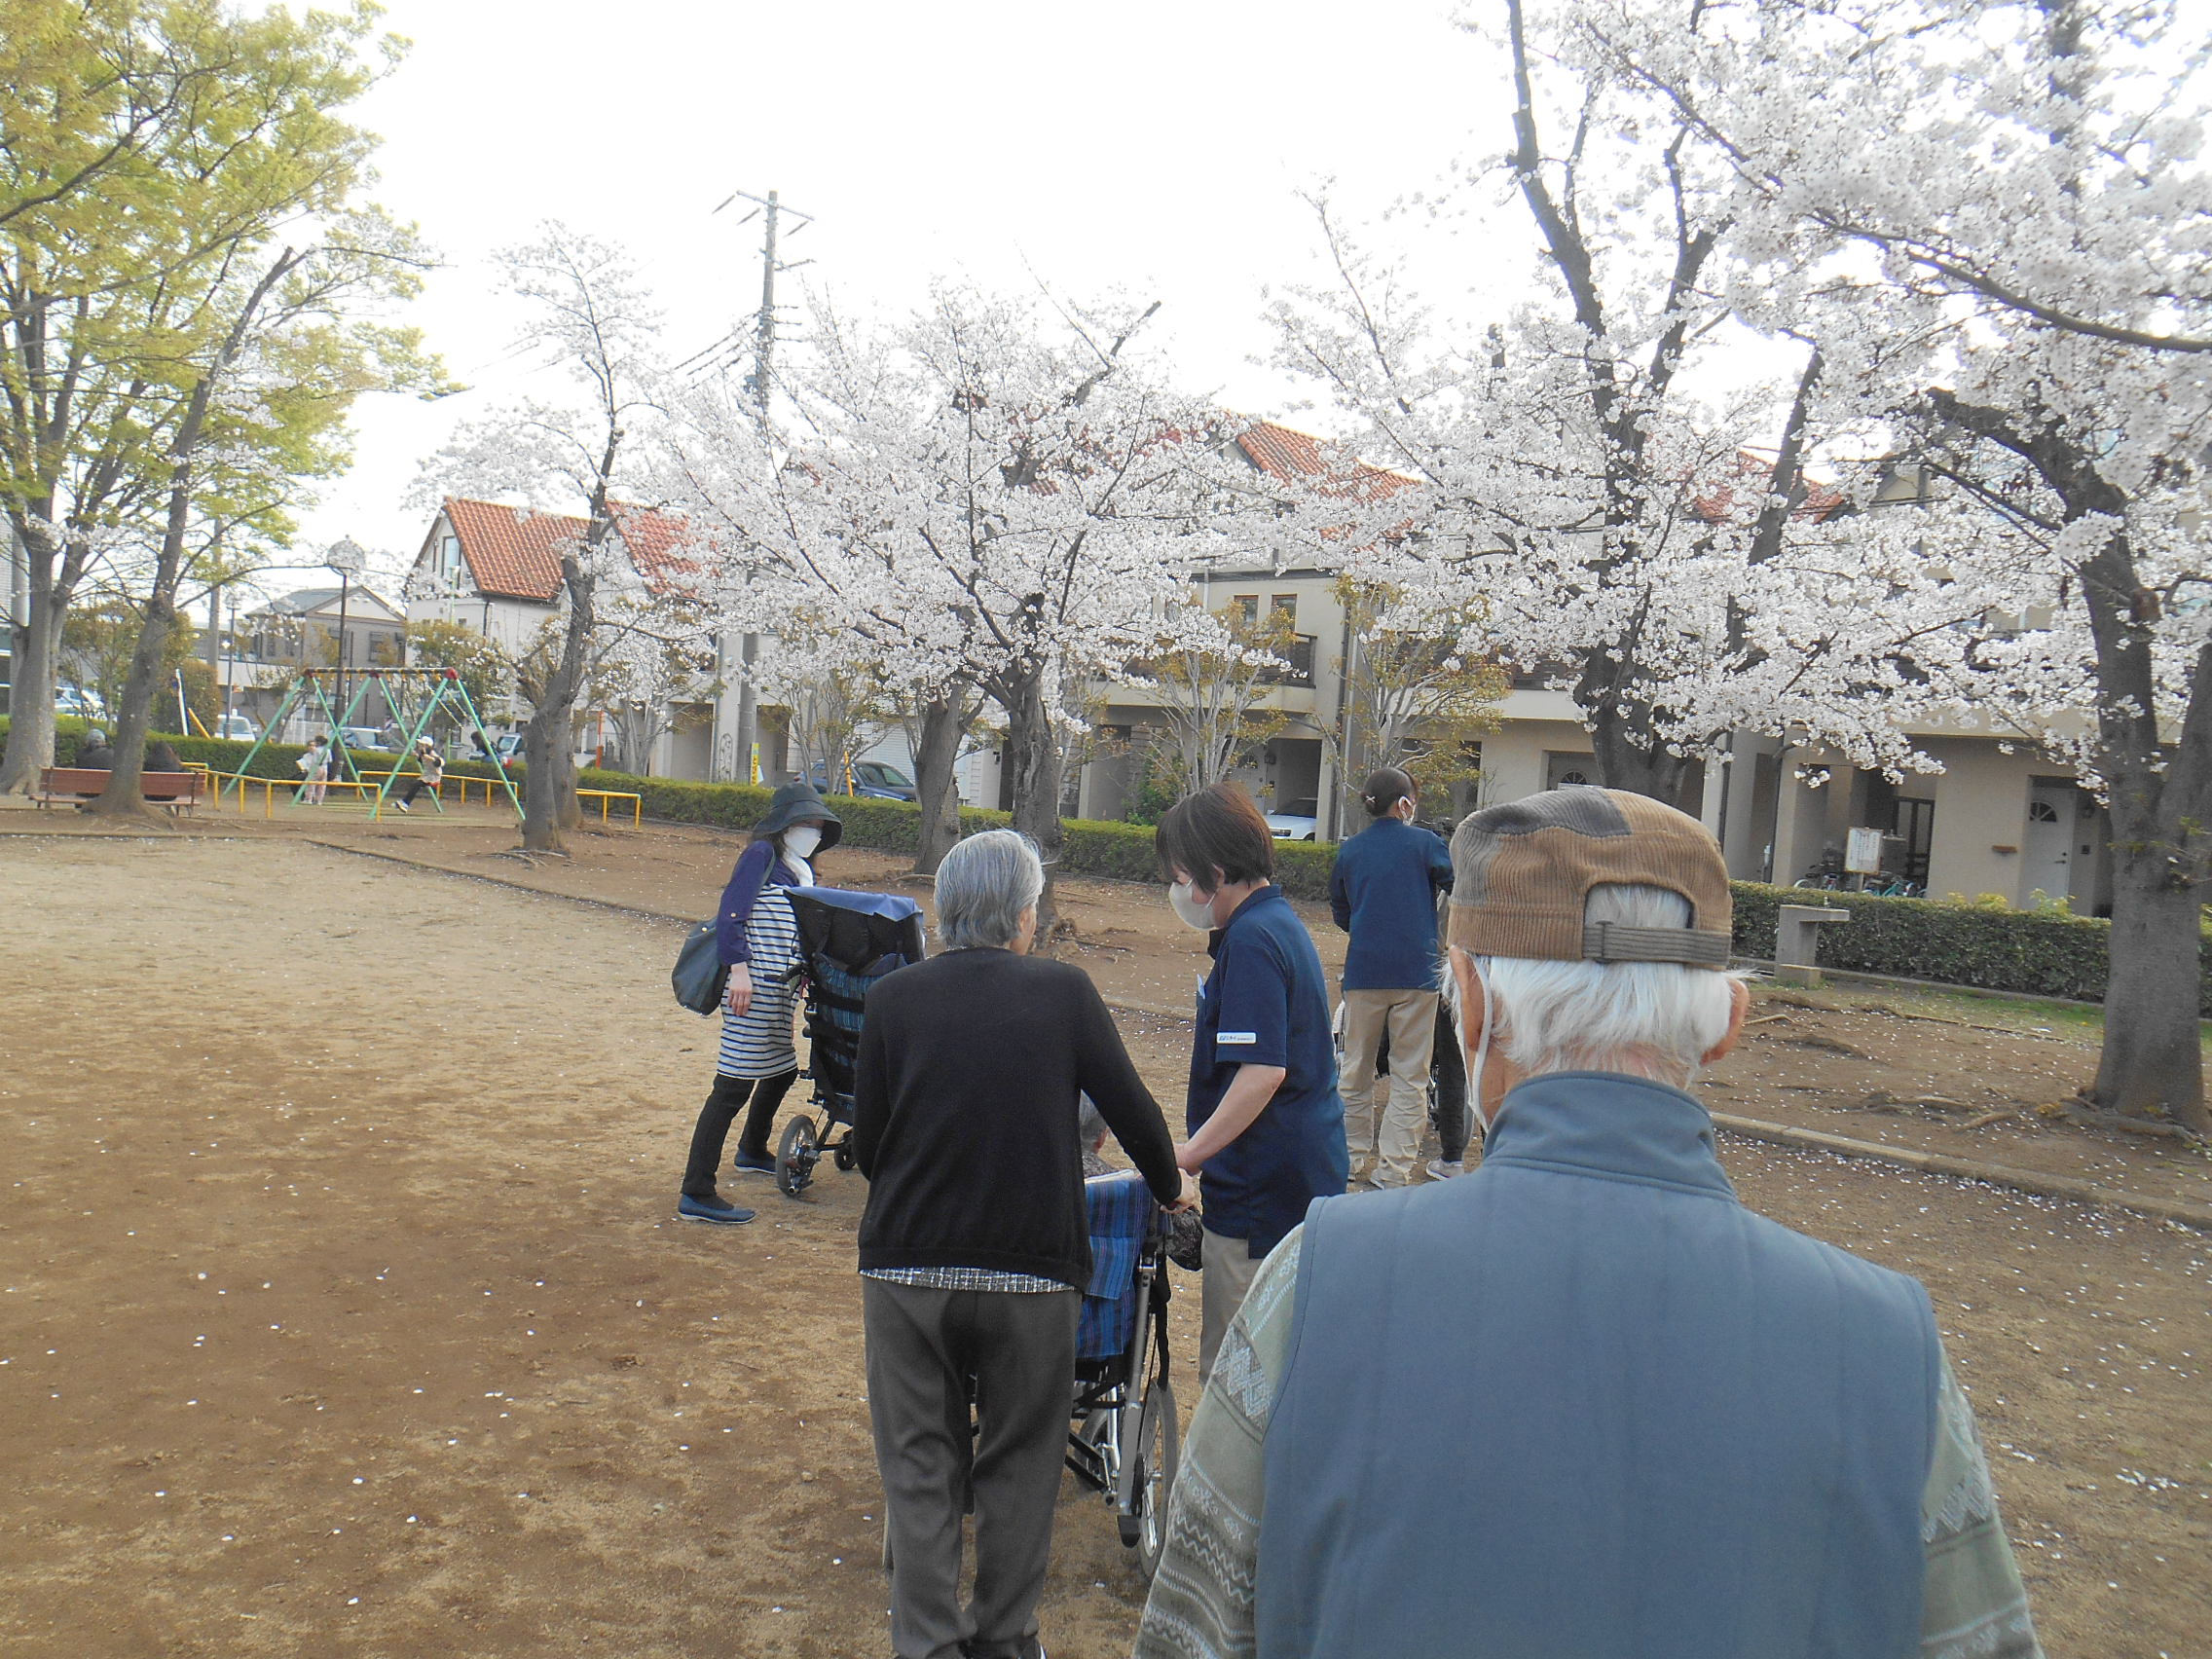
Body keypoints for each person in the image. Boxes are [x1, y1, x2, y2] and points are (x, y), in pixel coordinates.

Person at [1135, 787, 2043, 1659]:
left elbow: (1194, 1627)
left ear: (1473, 1003)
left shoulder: (1318, 1284)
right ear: (1729, 1021)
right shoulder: (1892, 1353)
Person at [852, 830, 1188, 1659]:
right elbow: (1138, 1119)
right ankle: (1005, 1638)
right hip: (1033, 1274)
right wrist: (1175, 1189)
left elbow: (867, 1144)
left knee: (921, 1461)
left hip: (906, 1266)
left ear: (949, 906)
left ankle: (926, 1642)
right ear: (1023, 913)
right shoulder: (1064, 994)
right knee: (1020, 1461)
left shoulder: (895, 1000)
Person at [1156, 782, 1346, 1380]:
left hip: (1263, 1191)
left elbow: (1262, 1073)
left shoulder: (1254, 941)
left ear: (1215, 872)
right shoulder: (1274, 924)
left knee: (1238, 1373)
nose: (1178, 891)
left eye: (1183, 876)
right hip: (1294, 1176)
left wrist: (1187, 1156)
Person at [675, 782, 841, 1223]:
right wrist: (739, 971)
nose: (812, 831)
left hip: (777, 988)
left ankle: (751, 1149)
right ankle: (697, 1191)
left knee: (782, 1070)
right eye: (806, 823)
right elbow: (733, 910)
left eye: (818, 826)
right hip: (751, 985)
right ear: (784, 825)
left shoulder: (800, 868)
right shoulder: (761, 856)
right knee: (731, 1085)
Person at [1328, 766, 1454, 1188]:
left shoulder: (1351, 851)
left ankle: (1348, 1159)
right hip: (1418, 975)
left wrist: (1369, 928)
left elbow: (1341, 910)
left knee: (1355, 1068)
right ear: (1404, 803)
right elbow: (1458, 884)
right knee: (1410, 1076)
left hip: (1364, 973)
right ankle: (1393, 1169)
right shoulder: (1426, 844)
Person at [391, 737, 444, 813]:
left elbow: (441, 762)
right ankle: (404, 802)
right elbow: (423, 761)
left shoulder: (431, 752)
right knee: (415, 785)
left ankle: (405, 803)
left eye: (421, 744)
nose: (419, 745)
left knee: (416, 785)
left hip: (434, 776)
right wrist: (417, 756)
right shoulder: (423, 753)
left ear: (426, 745)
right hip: (427, 774)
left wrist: (432, 759)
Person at [295, 735, 330, 805]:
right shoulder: (328, 750)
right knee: (322, 785)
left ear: (319, 742)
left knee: (311, 783)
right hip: (325, 767)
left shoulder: (317, 750)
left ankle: (309, 799)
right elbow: (330, 760)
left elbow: (314, 761)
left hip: (317, 767)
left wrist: (310, 770)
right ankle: (319, 800)